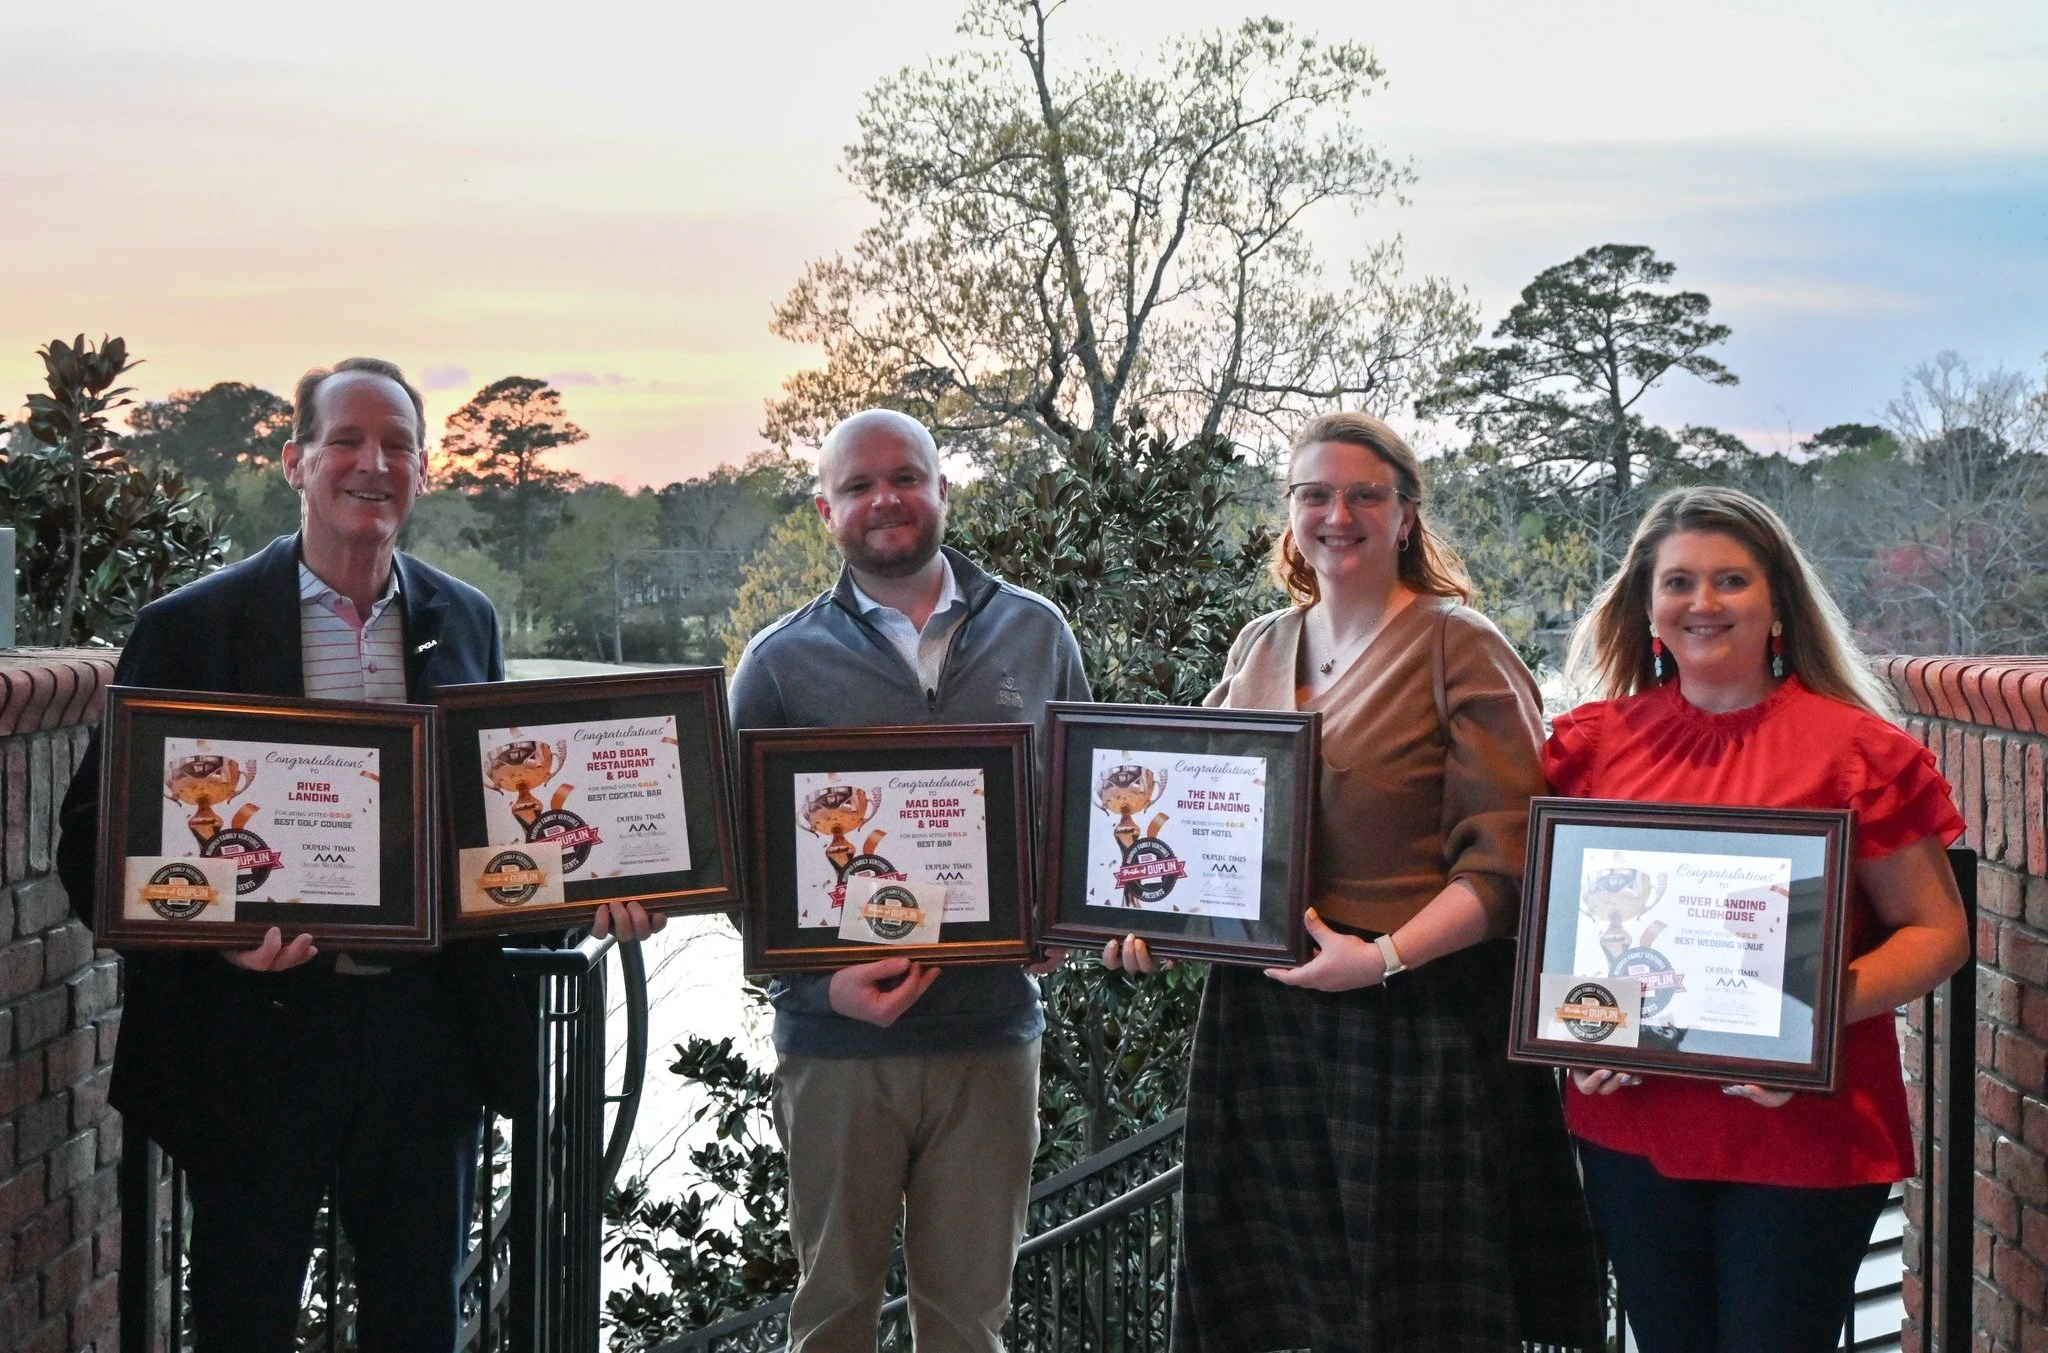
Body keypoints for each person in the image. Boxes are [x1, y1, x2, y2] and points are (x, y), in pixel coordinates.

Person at [55, 358, 661, 1353]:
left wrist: (595, 890)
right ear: (296, 460)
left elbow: (490, 837)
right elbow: (92, 846)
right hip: (251, 1040)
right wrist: (216, 940)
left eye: (397, 445)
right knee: (244, 1319)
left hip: (424, 1037)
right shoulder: (188, 628)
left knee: (419, 1320)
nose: (371, 463)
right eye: (346, 440)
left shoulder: (463, 619)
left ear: (423, 472)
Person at [1105, 410, 1604, 1351]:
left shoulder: (1463, 646)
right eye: (1315, 495)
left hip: (1419, 1022)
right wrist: (1148, 922)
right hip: (1265, 1023)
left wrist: (1379, 958)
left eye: (1364, 494)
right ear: (1290, 514)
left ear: (1406, 515)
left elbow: (1507, 868)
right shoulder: (1258, 645)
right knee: (1280, 1309)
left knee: (1419, 1315)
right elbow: (1197, 821)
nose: (1339, 513)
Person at [1548, 486, 1969, 1353]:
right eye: (1680, 582)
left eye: (1731, 579)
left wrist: (1806, 1024)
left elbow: (1938, 933)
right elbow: (1577, 924)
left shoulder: (1857, 751)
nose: (1703, 603)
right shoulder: (1590, 747)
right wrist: (1586, 1037)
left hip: (1802, 1129)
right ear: (1647, 606)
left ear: (1777, 599)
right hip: (1636, 1125)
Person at [729, 408, 1088, 1353]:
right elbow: (740, 862)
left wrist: (1066, 920)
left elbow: (1079, 813)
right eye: (858, 485)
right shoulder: (776, 663)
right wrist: (816, 983)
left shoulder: (1037, 632)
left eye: (905, 476)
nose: (884, 498)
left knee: (969, 1321)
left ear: (940, 488)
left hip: (989, 1037)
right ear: (826, 509)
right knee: (832, 1315)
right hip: (836, 1047)